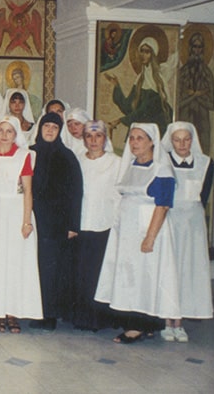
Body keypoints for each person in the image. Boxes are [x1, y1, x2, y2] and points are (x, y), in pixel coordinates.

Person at [95, 123, 180, 344]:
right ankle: (140, 323)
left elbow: (162, 206)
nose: (134, 142)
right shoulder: (132, 165)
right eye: (131, 138)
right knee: (130, 276)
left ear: (152, 141)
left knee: (146, 276)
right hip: (127, 229)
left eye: (140, 138)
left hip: (148, 228)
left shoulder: (161, 169)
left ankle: (139, 325)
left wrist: (150, 237)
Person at [29, 112, 83, 331]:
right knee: (34, 264)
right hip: (33, 218)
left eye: (54, 127)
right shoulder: (30, 153)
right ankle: (32, 308)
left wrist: (72, 225)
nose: (50, 130)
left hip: (56, 221)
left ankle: (49, 314)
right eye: (46, 126)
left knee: (51, 268)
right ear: (40, 129)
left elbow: (76, 192)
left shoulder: (67, 156)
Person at [161, 121, 214, 341]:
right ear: (170, 141)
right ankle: (166, 321)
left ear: (193, 140)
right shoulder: (163, 162)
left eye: (187, 139)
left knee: (187, 271)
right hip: (170, 220)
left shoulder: (205, 163)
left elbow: (204, 195)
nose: (182, 144)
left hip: (193, 226)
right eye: (177, 139)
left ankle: (180, 321)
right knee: (169, 269)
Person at [0, 116, 42, 333]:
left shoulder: (23, 156)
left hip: (16, 210)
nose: (4, 134)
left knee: (15, 263)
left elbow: (28, 190)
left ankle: (12, 312)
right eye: (1, 130)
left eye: (9, 131)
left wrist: (27, 220)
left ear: (16, 134)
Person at [72, 120, 120, 331]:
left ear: (105, 139)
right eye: (89, 137)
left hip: (106, 223)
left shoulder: (116, 162)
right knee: (82, 273)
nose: (93, 141)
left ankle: (102, 318)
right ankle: (82, 317)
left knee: (102, 272)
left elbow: (120, 194)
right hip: (82, 223)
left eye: (98, 136)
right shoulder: (77, 161)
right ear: (83, 140)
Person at [105, 38, 173, 134]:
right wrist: (116, 86)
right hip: (138, 130)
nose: (143, 55)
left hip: (155, 131)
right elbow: (128, 107)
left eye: (147, 52)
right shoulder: (140, 80)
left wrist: (120, 120)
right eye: (141, 51)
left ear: (153, 55)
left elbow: (144, 110)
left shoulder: (159, 81)